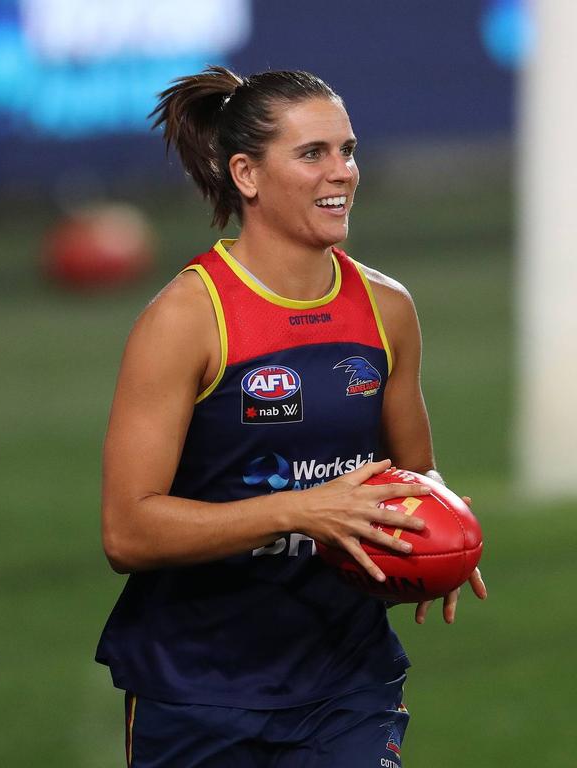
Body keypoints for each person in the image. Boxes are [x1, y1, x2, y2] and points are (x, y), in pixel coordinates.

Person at [95, 66, 486, 768]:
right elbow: (128, 531)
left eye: (348, 150)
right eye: (313, 154)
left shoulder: (386, 308)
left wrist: (439, 536)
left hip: (348, 681)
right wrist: (302, 510)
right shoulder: (188, 318)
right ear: (246, 173)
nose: (342, 172)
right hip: (198, 691)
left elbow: (414, 472)